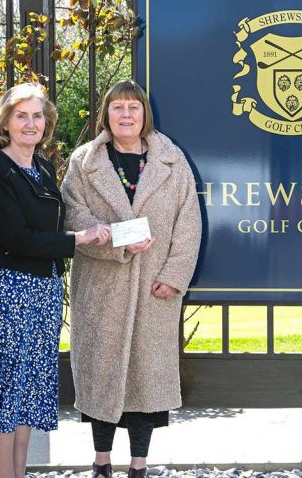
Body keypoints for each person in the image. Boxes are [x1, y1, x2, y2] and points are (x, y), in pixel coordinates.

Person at [0, 84, 111, 478]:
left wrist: (92, 229)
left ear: (47, 123)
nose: (31, 124)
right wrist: (78, 240)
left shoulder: (43, 167)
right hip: (6, 290)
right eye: (22, 116)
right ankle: (4, 474)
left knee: (28, 389)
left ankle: (19, 472)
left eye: (38, 115)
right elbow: (16, 236)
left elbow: (54, 223)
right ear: (6, 123)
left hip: (42, 291)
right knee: (4, 387)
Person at [61, 80, 202, 478]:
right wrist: (120, 242)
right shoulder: (84, 163)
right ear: (106, 114)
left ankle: (139, 466)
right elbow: (75, 217)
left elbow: (189, 224)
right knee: (103, 379)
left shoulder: (172, 161)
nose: (126, 115)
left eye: (133, 108)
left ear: (145, 114)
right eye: (118, 107)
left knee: (145, 381)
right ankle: (101, 463)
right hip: (102, 287)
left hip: (155, 288)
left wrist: (174, 276)